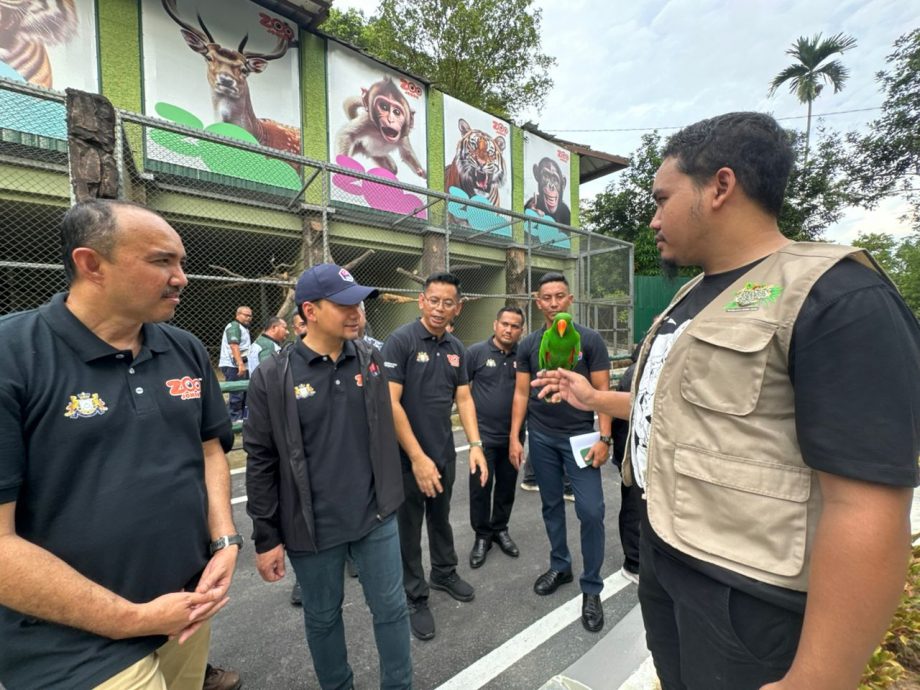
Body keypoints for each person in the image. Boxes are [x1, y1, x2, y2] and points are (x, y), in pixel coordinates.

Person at [532, 112, 920, 690]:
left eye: (662, 199)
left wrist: (818, 678)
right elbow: (675, 413)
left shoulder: (836, 297)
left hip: (749, 599)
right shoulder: (691, 298)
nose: (653, 218)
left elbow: (869, 507)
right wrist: (595, 397)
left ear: (720, 186)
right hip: (667, 562)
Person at [0, 199, 241, 690]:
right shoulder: (13, 356)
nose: (181, 278)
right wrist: (132, 619)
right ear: (91, 265)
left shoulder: (184, 349)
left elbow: (209, 449)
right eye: (161, 261)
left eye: (181, 263)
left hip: (185, 609)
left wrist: (224, 540)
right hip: (70, 644)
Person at [244, 263, 411, 690]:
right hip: (311, 526)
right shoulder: (271, 376)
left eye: (358, 302)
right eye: (343, 305)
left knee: (392, 610)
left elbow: (387, 421)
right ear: (310, 311)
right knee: (322, 618)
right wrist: (266, 537)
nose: (356, 312)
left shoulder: (371, 360)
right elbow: (260, 459)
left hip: (375, 517)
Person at [382, 272, 489, 641]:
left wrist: (475, 446)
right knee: (407, 528)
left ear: (457, 307)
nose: (440, 308)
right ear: (421, 301)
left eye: (448, 302)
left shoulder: (457, 348)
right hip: (406, 458)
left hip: (443, 452)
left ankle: (444, 571)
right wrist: (417, 457)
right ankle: (414, 594)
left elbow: (463, 399)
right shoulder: (400, 342)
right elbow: (390, 403)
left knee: (440, 518)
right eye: (434, 300)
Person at [509, 272, 612, 633]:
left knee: (591, 510)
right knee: (550, 505)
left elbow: (602, 393)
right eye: (546, 297)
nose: (553, 303)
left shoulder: (590, 341)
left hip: (581, 438)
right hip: (542, 437)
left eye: (559, 296)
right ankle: (561, 565)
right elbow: (522, 394)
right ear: (538, 303)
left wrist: (605, 437)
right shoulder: (529, 345)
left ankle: (592, 586)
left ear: (570, 300)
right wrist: (515, 437)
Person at [466, 306, 526, 569]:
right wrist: (472, 439)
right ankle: (482, 536)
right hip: (483, 440)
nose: (508, 329)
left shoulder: (524, 356)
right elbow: (462, 393)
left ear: (521, 330)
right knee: (480, 489)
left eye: (514, 326)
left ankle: (500, 529)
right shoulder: (475, 353)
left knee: (506, 487)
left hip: (513, 437)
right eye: (505, 324)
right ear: (495, 324)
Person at [611, 359, 641, 585]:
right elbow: (621, 423)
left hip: (639, 452)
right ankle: (633, 563)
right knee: (634, 505)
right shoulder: (637, 373)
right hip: (634, 453)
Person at [219, 305, 253, 422]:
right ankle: (234, 419)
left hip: (239, 364)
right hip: (233, 365)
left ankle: (242, 418)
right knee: (237, 393)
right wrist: (240, 364)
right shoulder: (234, 326)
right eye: (246, 315)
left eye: (250, 315)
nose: (249, 318)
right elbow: (234, 345)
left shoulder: (244, 328)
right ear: (238, 315)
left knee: (243, 392)